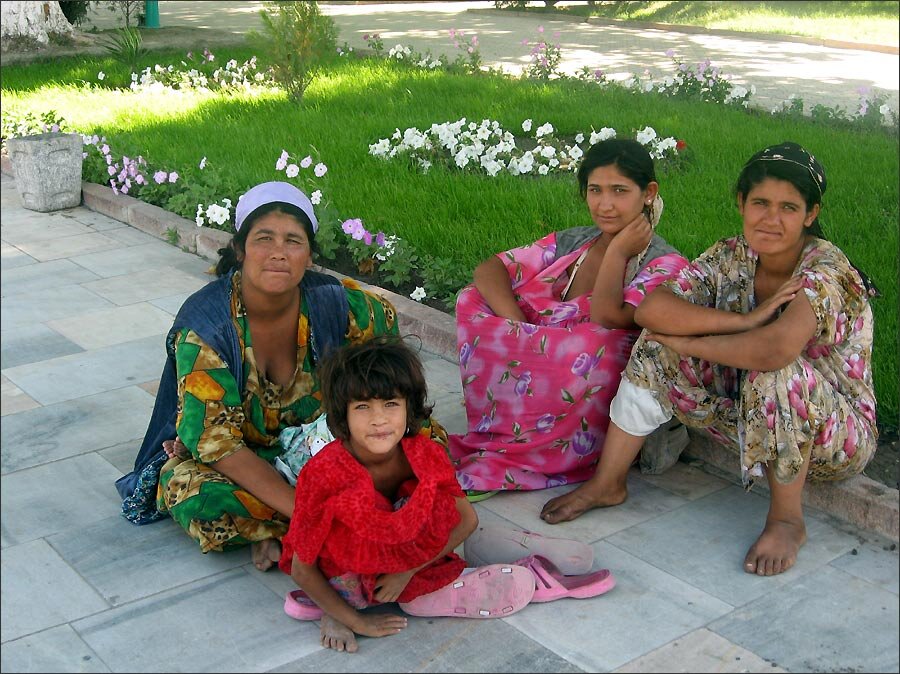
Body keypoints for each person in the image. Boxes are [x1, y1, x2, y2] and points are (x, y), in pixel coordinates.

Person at [540, 142, 879, 577]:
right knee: (655, 342)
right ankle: (608, 483)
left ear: (810, 214)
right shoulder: (731, 256)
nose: (770, 219)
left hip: (834, 437)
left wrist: (694, 343)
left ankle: (786, 519)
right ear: (741, 202)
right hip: (745, 409)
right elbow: (652, 309)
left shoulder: (826, 271)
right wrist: (745, 321)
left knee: (778, 371)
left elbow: (775, 348)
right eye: (759, 203)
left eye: (788, 208)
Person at [114, 181, 446, 572]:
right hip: (248, 461)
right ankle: (326, 524)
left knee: (428, 440)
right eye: (263, 238)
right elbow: (219, 447)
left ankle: (304, 529)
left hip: (327, 446)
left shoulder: (341, 306)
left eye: (293, 241)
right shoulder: (206, 329)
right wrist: (305, 510)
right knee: (192, 493)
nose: (278, 253)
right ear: (239, 249)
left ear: (309, 255)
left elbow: (392, 371)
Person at [279, 336, 615, 653]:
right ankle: (338, 606)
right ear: (343, 416)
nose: (379, 420)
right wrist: (354, 620)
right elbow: (302, 569)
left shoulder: (425, 454)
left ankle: (509, 555)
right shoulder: (323, 474)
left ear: (409, 409)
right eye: (363, 407)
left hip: (408, 555)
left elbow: (466, 519)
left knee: (433, 525)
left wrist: (407, 571)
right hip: (350, 565)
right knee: (399, 591)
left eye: (391, 404)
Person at [449, 138, 691, 498]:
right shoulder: (576, 241)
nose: (605, 204)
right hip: (541, 340)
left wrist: (619, 251)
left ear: (648, 193)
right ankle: (505, 428)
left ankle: (551, 449)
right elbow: (490, 269)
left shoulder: (665, 263)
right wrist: (522, 328)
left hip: (591, 362)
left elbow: (609, 318)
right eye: (595, 190)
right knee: (471, 298)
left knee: (587, 343)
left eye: (620, 191)